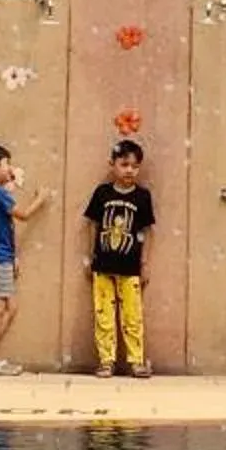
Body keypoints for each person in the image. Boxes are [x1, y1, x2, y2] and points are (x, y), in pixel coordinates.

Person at [0, 143, 52, 374]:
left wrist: (13, 256)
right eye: (6, 163)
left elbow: (5, 227)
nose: (10, 167)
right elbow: (23, 215)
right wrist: (41, 198)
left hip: (0, 256)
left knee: (11, 307)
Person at [81, 137, 158, 378]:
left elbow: (147, 231)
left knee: (132, 315)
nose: (129, 170)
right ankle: (107, 360)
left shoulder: (142, 197)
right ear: (112, 164)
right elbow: (92, 225)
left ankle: (136, 360)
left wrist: (144, 263)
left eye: (135, 166)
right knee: (103, 314)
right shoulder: (102, 193)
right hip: (103, 264)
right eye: (124, 164)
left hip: (130, 267)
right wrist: (89, 256)